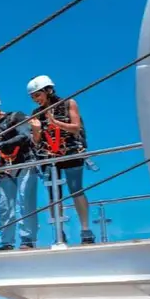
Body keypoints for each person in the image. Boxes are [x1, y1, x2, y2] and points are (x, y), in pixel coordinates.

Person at [26, 75, 95, 245]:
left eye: (37, 95)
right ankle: (59, 232)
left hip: (70, 151)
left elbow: (75, 127)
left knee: (76, 189)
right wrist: (35, 130)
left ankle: (85, 230)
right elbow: (36, 141)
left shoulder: (68, 103)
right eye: (33, 97)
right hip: (49, 157)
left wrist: (55, 123)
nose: (36, 100)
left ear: (48, 91)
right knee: (53, 195)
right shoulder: (36, 114)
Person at [0, 93, 39, 250]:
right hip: (6, 167)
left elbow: (24, 136)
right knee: (5, 206)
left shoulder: (16, 117)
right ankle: (7, 242)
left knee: (26, 202)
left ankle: (27, 240)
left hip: (25, 162)